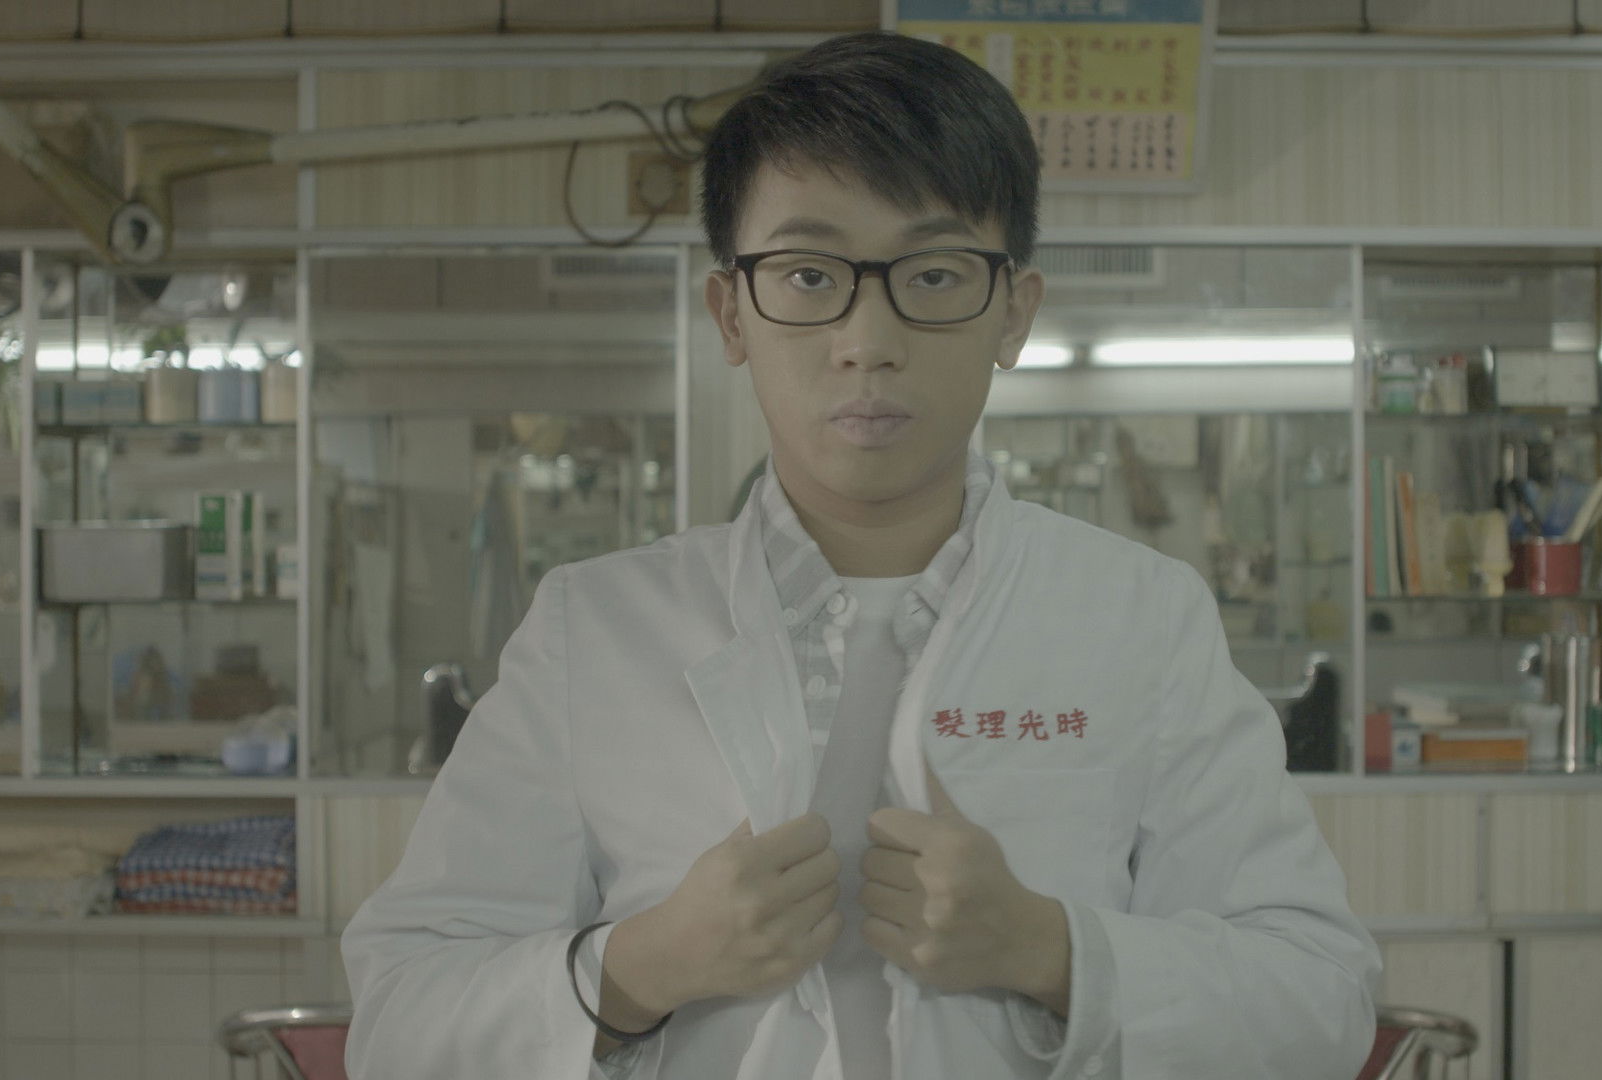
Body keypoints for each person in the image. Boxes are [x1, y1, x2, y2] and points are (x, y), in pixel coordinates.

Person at [341, 30, 1380, 1080]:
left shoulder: (1141, 617)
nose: (868, 341)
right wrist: (646, 964)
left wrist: (1050, 951)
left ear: (1013, 314)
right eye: (808, 274)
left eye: (934, 273)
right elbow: (399, 1025)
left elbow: (1319, 1003)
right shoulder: (596, 629)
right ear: (731, 314)